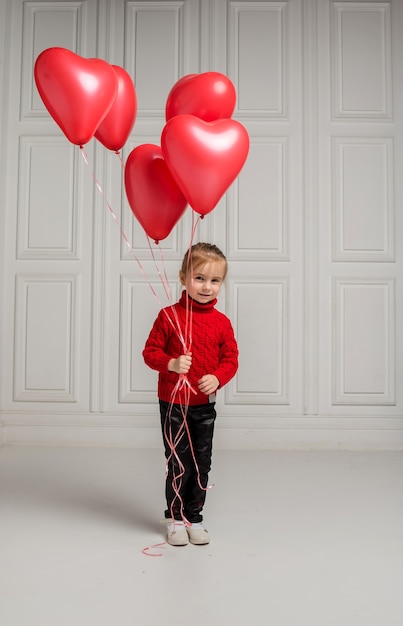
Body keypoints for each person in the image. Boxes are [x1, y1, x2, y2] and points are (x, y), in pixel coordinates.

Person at [143, 242, 238, 546]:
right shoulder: (168, 316)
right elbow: (150, 352)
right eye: (199, 278)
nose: (206, 287)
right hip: (173, 402)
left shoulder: (222, 323)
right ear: (183, 277)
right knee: (179, 461)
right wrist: (171, 363)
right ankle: (174, 519)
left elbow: (231, 359)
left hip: (203, 405)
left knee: (202, 462)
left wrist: (218, 377)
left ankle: (193, 517)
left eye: (214, 280)